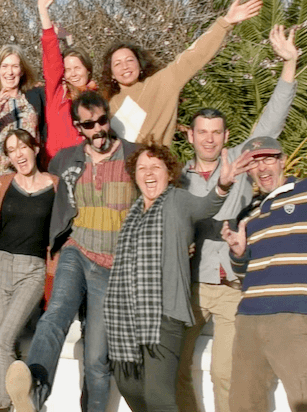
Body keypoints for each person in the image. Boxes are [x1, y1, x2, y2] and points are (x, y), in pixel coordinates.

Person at [176, 24, 298, 412]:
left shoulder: (241, 162)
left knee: (224, 374)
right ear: (191, 136)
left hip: (232, 285)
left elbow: (272, 119)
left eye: (216, 132)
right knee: (177, 369)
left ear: (226, 136)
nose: (209, 139)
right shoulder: (178, 177)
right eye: (202, 132)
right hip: (191, 285)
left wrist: (289, 64)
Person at [6, 90, 139, 412]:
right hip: (75, 251)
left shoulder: (135, 156)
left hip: (113, 266)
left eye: (102, 121)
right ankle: (33, 394)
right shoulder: (66, 159)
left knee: (97, 359)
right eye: (89, 124)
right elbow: (33, 177)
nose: (98, 129)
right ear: (79, 127)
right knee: (54, 317)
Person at [103, 143, 251, 411]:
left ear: (169, 173)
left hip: (165, 314)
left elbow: (206, 206)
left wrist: (223, 185)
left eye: (155, 167)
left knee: (158, 396)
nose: (149, 173)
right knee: (128, 386)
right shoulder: (133, 214)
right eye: (142, 168)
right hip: (127, 317)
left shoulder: (178, 201)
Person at [100, 0, 262, 145]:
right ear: (111, 73)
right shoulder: (105, 106)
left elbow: (191, 58)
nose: (125, 67)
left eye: (130, 60)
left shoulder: (161, 84)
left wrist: (225, 23)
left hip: (158, 163)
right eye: (117, 64)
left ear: (140, 65)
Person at [221, 136, 307, 412]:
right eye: (254, 162)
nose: (262, 167)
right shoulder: (247, 215)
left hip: (294, 316)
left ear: (282, 161)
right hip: (249, 318)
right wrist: (237, 252)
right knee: (243, 405)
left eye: (268, 159)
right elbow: (242, 274)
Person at [0, 129, 58, 412]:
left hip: (32, 272)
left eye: (22, 147)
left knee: (1, 342)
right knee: (6, 347)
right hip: (1, 268)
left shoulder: (55, 186)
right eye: (11, 150)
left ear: (35, 148)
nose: (18, 154)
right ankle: (7, 405)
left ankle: (8, 405)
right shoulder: (3, 184)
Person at [37, 0, 98, 159]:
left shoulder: (98, 96)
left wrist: (69, 40)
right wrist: (43, 13)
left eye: (77, 68)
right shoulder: (59, 94)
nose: (73, 74)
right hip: (59, 163)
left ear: (88, 69)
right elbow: (53, 61)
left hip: (89, 163)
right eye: (68, 70)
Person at [0, 45, 46, 182]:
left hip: (33, 173)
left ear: (21, 71)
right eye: (4, 66)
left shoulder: (36, 95)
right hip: (1, 175)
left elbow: (44, 132)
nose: (9, 72)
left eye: (15, 66)